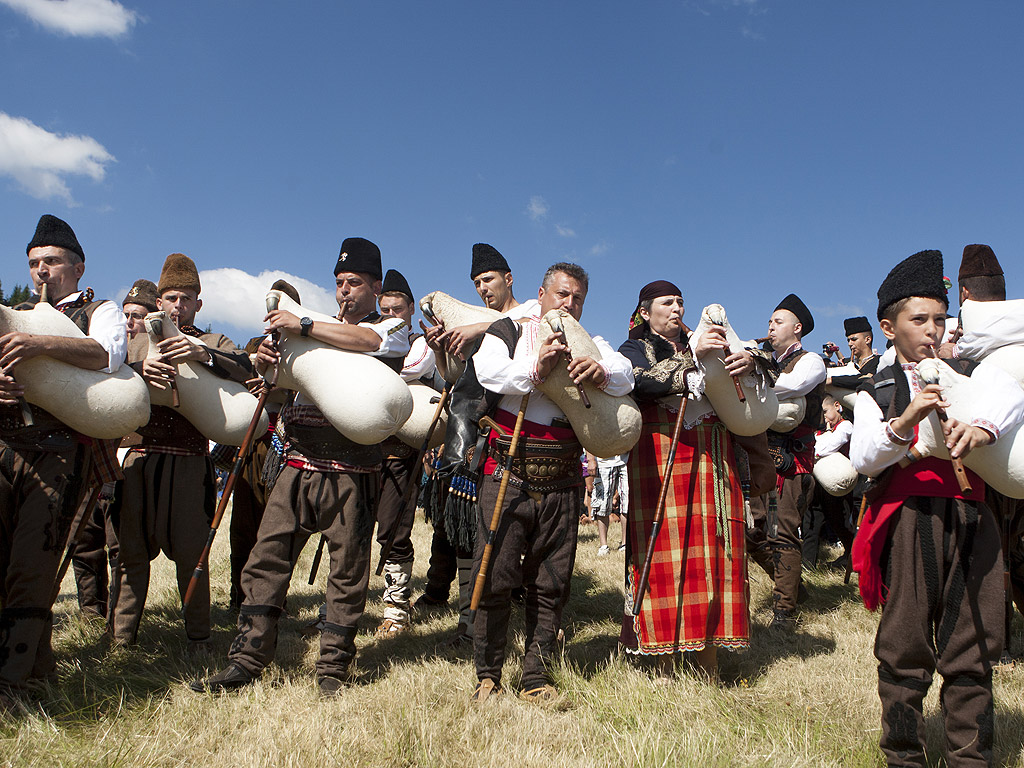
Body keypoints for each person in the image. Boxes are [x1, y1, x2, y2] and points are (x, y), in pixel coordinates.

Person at [192, 236, 410, 696]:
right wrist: (271, 360)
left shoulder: (391, 328)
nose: (344, 291)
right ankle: (247, 658)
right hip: (296, 460)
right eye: (338, 282)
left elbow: (367, 341)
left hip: (355, 469)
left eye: (354, 282)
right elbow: (275, 384)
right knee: (266, 558)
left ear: (374, 285)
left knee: (347, 570)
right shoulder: (313, 329)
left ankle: (332, 668)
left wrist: (304, 324)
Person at [850, 249, 1024, 767]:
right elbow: (863, 456)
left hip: (974, 517)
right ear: (889, 327)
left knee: (974, 644)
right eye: (918, 319)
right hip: (911, 520)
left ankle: (971, 759)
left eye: (940, 319)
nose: (932, 330)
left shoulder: (971, 370)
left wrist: (984, 424)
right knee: (905, 644)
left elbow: (1015, 392)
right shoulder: (877, 386)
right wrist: (905, 421)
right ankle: (904, 757)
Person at [469, 262, 633, 701]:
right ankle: (488, 673)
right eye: (562, 294)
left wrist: (602, 373)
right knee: (497, 575)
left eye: (577, 297)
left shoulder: (591, 343)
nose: (569, 303)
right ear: (541, 293)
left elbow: (626, 374)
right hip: (507, 470)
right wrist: (536, 371)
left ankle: (536, 676)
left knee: (551, 581)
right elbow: (488, 373)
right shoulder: (509, 331)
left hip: (563, 477)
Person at [0, 214, 127, 701]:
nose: (41, 272)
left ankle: (12, 689)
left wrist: (40, 343)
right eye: (33, 263)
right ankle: (39, 679)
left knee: (32, 569)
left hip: (60, 456)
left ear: (77, 266)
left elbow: (109, 353)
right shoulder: (15, 314)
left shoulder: (99, 310)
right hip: (6, 449)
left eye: (51, 262)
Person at [618, 280, 763, 679]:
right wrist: (690, 363)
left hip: (714, 453)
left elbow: (758, 369)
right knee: (667, 548)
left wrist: (748, 360)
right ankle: (664, 659)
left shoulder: (704, 338)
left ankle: (709, 662)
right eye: (668, 303)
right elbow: (635, 380)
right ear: (646, 312)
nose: (678, 308)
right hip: (662, 453)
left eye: (681, 302)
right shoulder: (634, 346)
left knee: (717, 549)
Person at [109, 253, 253, 651]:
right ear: (159, 302)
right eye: (171, 297)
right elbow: (108, 378)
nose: (177, 305)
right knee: (130, 553)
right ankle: (121, 641)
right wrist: (140, 370)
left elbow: (245, 365)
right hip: (140, 458)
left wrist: (202, 355)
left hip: (190, 463)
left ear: (198, 304)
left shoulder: (212, 341)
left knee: (193, 555)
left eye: (186, 298)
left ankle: (199, 638)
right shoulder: (135, 340)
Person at [414, 243, 538, 648]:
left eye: (488, 280)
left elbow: (525, 333)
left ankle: (508, 616)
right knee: (469, 532)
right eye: (477, 284)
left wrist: (480, 329)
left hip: (518, 436)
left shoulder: (531, 312)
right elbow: (456, 378)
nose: (483, 288)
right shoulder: (473, 323)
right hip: (470, 436)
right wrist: (440, 348)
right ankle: (470, 622)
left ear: (509, 278)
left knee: (511, 535)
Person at [71, 278, 160, 622]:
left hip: (133, 457)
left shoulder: (153, 348)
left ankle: (116, 618)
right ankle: (90, 612)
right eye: (126, 314)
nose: (130, 322)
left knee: (119, 543)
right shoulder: (112, 342)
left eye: (138, 315)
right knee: (84, 538)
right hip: (97, 449)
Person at [746, 293, 826, 626]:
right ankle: (792, 583)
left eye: (777, 322)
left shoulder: (812, 361)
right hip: (763, 457)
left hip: (792, 463)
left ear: (797, 328)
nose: (770, 327)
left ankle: (784, 610)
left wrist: (753, 372)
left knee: (783, 532)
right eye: (769, 322)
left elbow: (792, 386)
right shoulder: (768, 359)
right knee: (752, 533)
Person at [225, 278, 302, 610]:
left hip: (287, 444)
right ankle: (238, 596)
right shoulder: (254, 343)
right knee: (243, 525)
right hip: (254, 440)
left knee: (277, 529)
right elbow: (235, 381)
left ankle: (273, 600)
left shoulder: (306, 342)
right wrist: (254, 372)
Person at [373, 268, 436, 635]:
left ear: (411, 309)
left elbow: (411, 370)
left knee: (393, 530)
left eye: (397, 310)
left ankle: (396, 608)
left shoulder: (420, 342)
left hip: (400, 454)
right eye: (385, 311)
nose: (391, 317)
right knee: (352, 528)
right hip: (363, 452)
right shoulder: (368, 338)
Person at [802, 393, 854, 567]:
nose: (823, 416)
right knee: (811, 523)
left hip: (838, 486)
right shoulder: (819, 430)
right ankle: (807, 565)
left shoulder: (846, 426)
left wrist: (818, 445)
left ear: (837, 406)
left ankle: (853, 558)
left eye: (826, 411)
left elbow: (827, 446)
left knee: (841, 523)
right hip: (818, 484)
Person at [586, 451, 628, 555]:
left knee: (627, 504)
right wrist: (591, 460)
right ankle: (603, 546)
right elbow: (588, 436)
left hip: (625, 460)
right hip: (603, 462)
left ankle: (625, 544)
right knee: (602, 505)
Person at [827, 316, 879, 389]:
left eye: (854, 339)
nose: (850, 344)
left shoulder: (879, 362)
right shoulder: (846, 363)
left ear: (867, 339)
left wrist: (832, 380)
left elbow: (865, 379)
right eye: (848, 340)